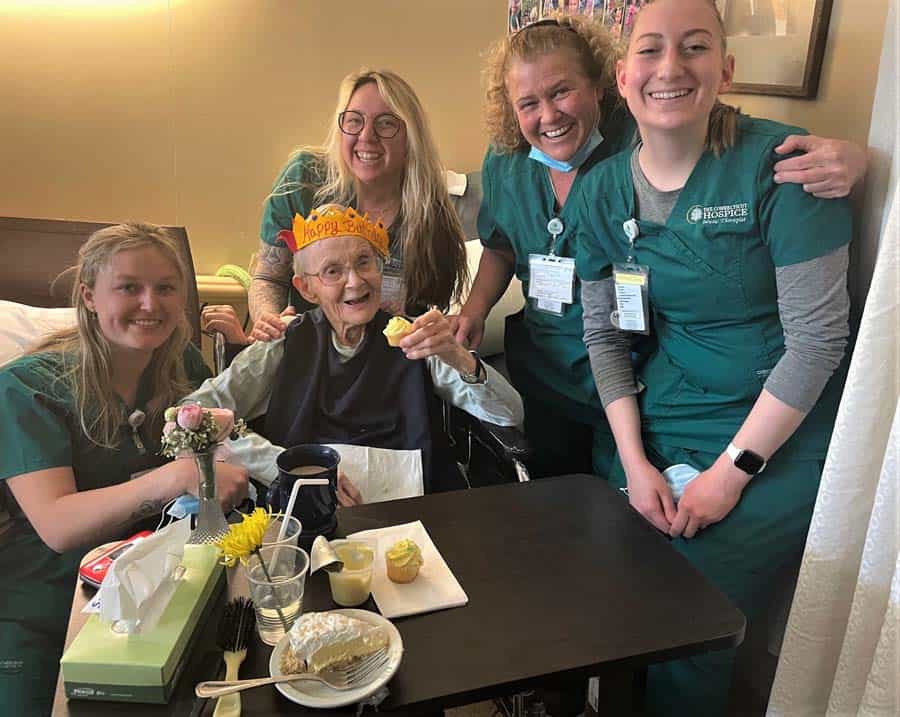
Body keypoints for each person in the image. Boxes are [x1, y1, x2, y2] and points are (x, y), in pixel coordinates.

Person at [573, 1, 851, 713]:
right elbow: (605, 334)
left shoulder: (785, 168)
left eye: (694, 49)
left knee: (690, 611)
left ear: (724, 71)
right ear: (623, 75)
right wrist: (635, 463)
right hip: (667, 407)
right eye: (651, 51)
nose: (670, 68)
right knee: (612, 567)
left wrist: (733, 472)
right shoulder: (602, 191)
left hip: (776, 431)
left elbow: (818, 342)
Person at [454, 12, 866, 481]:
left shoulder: (645, 140)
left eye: (562, 91)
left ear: (602, 84)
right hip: (549, 370)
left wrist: (864, 159)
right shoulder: (507, 162)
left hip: (641, 373)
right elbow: (501, 244)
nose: (548, 115)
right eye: (528, 102)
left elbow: (738, 138)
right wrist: (474, 309)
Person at [0, 223, 249, 716]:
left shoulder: (182, 364)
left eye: (165, 288)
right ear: (89, 296)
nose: (150, 305)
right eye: (129, 287)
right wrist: (177, 477)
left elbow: (220, 453)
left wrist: (227, 467)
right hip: (48, 599)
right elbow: (57, 524)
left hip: (166, 580)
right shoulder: (28, 389)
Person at [189, 205, 523, 497]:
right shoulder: (284, 341)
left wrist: (459, 356)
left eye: (365, 262)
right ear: (306, 287)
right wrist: (277, 466)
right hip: (309, 507)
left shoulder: (417, 338)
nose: (355, 281)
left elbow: (510, 415)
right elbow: (188, 416)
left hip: (415, 507)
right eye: (333, 271)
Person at [248, 69, 468, 343]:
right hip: (303, 354)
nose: (367, 136)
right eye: (354, 121)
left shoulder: (430, 214)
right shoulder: (303, 181)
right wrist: (271, 323)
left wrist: (426, 327)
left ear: (410, 138)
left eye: (386, 123)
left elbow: (428, 309)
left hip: (384, 366)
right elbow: (269, 279)